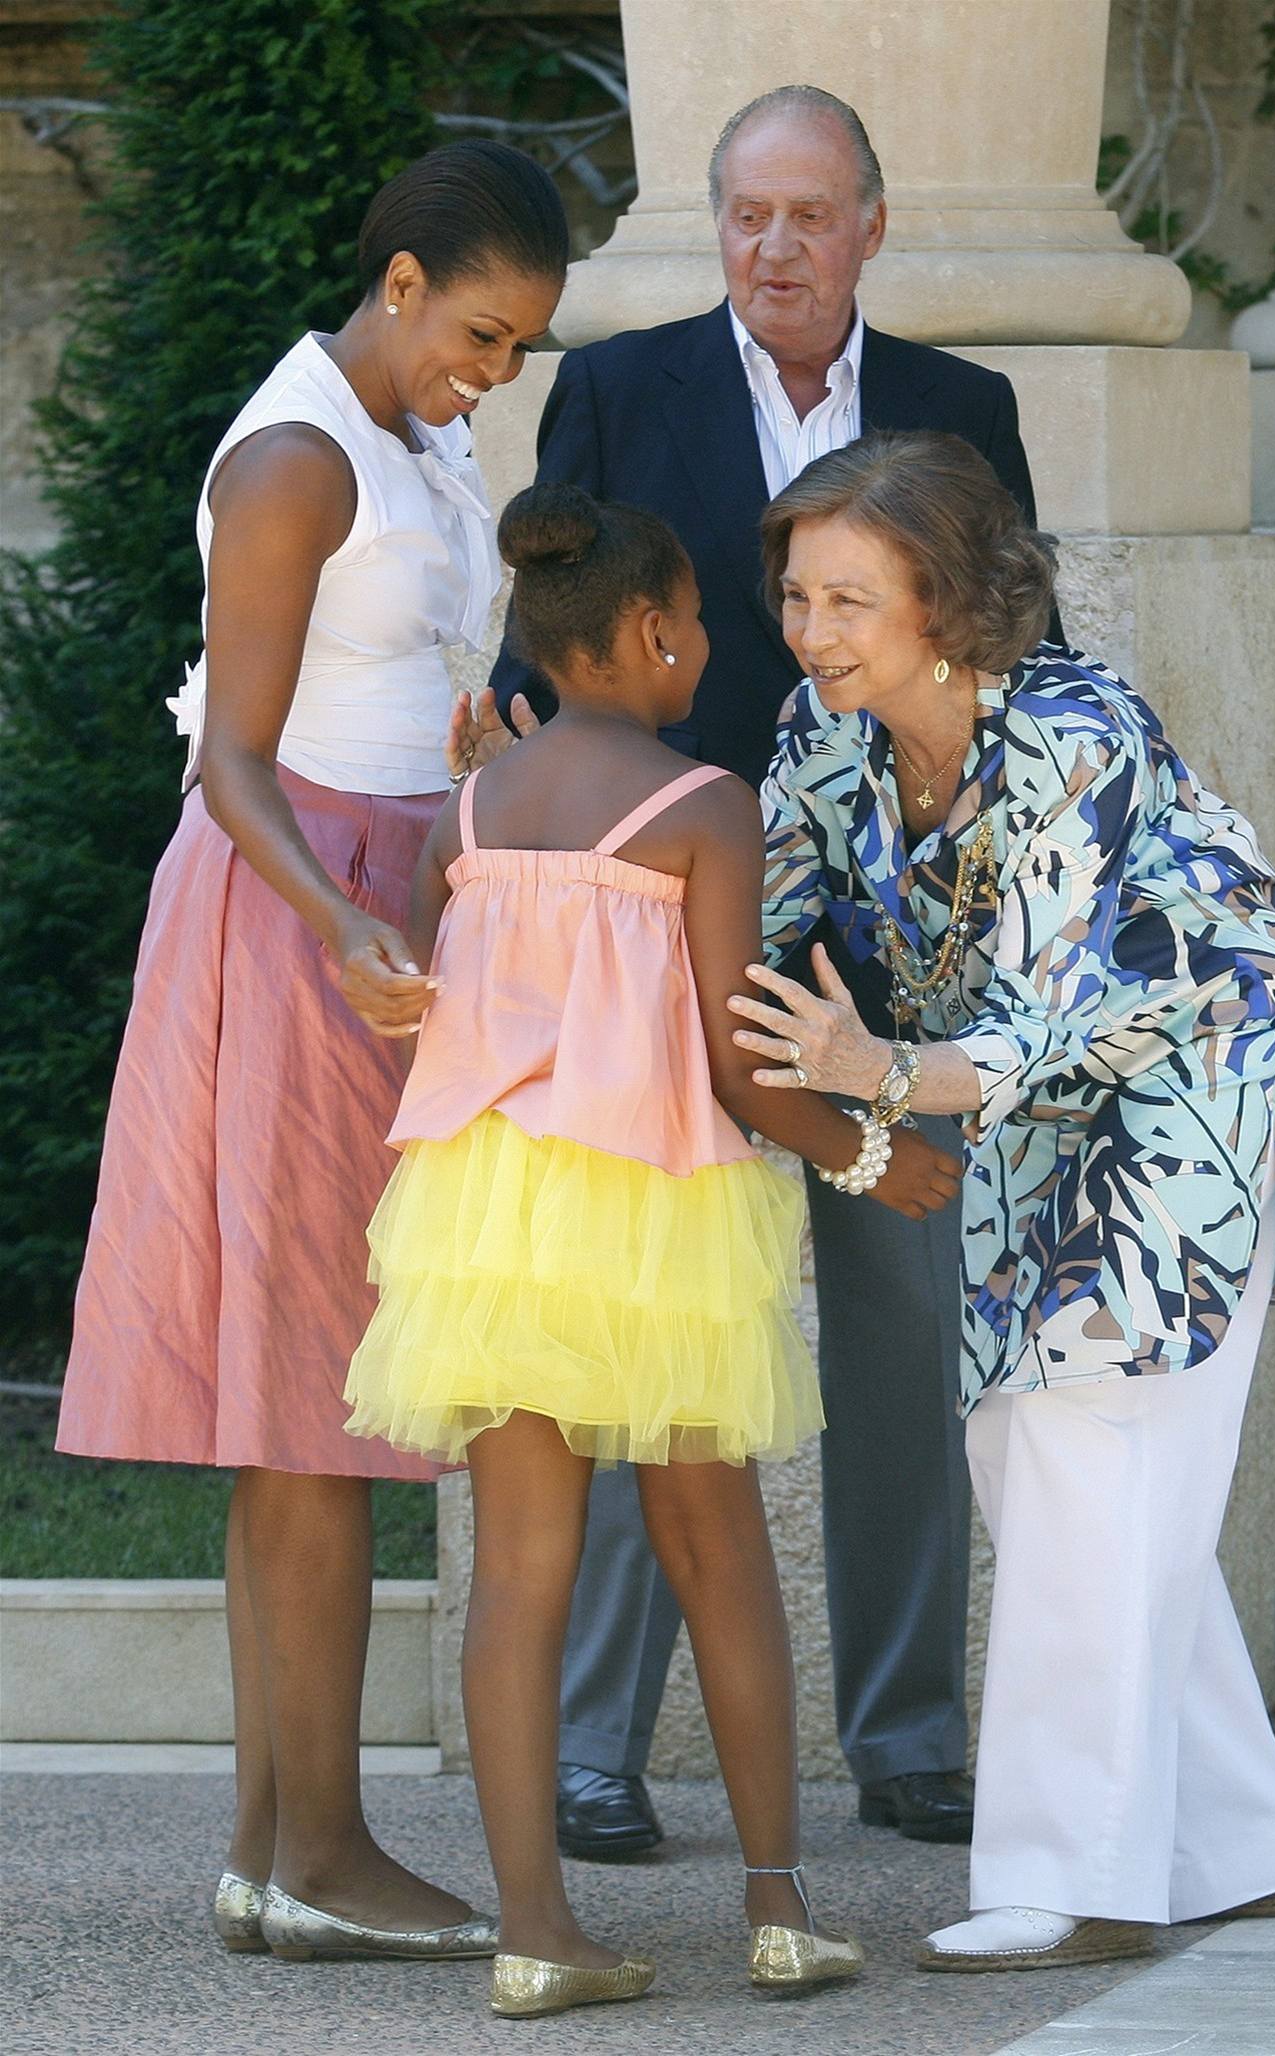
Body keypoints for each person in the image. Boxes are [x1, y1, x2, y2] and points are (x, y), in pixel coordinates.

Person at [472, 82, 1059, 1863]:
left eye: (810, 216)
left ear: (871, 226)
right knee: (655, 1347)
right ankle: (591, 1752)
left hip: (888, 977)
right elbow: (542, 658)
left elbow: (1021, 663)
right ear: (714, 226)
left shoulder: (966, 412)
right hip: (670, 952)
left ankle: (909, 1737)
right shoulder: (618, 389)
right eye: (747, 215)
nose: (776, 248)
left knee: (900, 1350)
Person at [342, 482, 958, 2018]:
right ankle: (776, 1909)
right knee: (717, 1551)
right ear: (642, 633)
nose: (710, 650)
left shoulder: (471, 808)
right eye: (696, 624)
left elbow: (422, 964)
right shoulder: (701, 807)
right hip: (654, 1213)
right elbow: (740, 1061)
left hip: (489, 1212)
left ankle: (535, 1928)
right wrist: (875, 1156)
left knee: (518, 1578)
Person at [730, 429, 1275, 1971]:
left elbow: (1067, 1014)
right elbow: (757, 916)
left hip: (1195, 1073)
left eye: (847, 600)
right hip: (1000, 1102)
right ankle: (1232, 1841)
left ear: (944, 597)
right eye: (797, 596)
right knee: (1047, 1458)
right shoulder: (821, 726)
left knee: (1086, 1438)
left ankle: (1078, 1879)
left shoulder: (1075, 728)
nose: (810, 632)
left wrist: (872, 1069)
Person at [55, 141, 565, 1960]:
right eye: (481, 335)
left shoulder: (421, 438)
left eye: (521, 354)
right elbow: (232, 756)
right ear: (404, 278)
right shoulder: (291, 454)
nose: (491, 378)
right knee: (314, 1394)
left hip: (384, 877)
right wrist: (343, 922)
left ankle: (274, 1850)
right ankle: (325, 1855)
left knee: (312, 1387)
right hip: (294, 905)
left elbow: (408, 677)